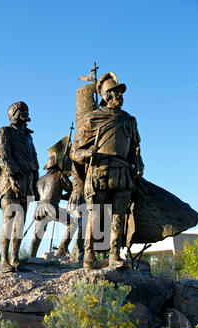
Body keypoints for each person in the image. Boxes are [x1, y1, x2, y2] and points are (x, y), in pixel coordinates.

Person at [71, 72, 144, 269]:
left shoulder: (130, 120)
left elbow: (135, 147)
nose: (120, 95)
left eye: (120, 92)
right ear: (105, 96)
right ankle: (88, 256)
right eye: (115, 92)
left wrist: (139, 163)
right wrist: (87, 154)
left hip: (122, 173)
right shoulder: (92, 119)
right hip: (99, 172)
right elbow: (74, 152)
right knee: (95, 216)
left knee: (119, 217)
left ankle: (114, 255)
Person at [0, 101, 39, 272]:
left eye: (26, 110)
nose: (26, 113)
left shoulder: (28, 136)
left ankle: (15, 259)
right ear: (13, 113)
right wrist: (12, 176)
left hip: (27, 181)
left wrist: (35, 179)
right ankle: (4, 260)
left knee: (20, 221)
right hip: (10, 181)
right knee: (9, 218)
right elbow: (3, 155)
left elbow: (34, 158)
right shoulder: (5, 131)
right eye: (22, 110)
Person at [29, 154, 76, 258]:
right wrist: (63, 197)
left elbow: (37, 196)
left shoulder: (40, 180)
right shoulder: (60, 175)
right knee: (73, 224)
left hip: (39, 208)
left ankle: (31, 257)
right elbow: (73, 190)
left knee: (37, 234)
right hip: (52, 207)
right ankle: (62, 250)